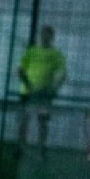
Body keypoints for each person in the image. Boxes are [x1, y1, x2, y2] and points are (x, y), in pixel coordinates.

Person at [16, 24, 67, 152]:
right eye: (43, 34)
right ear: (40, 35)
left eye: (48, 35)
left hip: (44, 94)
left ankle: (41, 148)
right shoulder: (31, 51)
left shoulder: (56, 54)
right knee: (24, 119)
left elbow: (62, 74)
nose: (45, 37)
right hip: (27, 92)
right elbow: (20, 70)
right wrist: (28, 85)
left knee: (42, 121)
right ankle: (20, 146)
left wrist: (54, 88)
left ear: (52, 37)